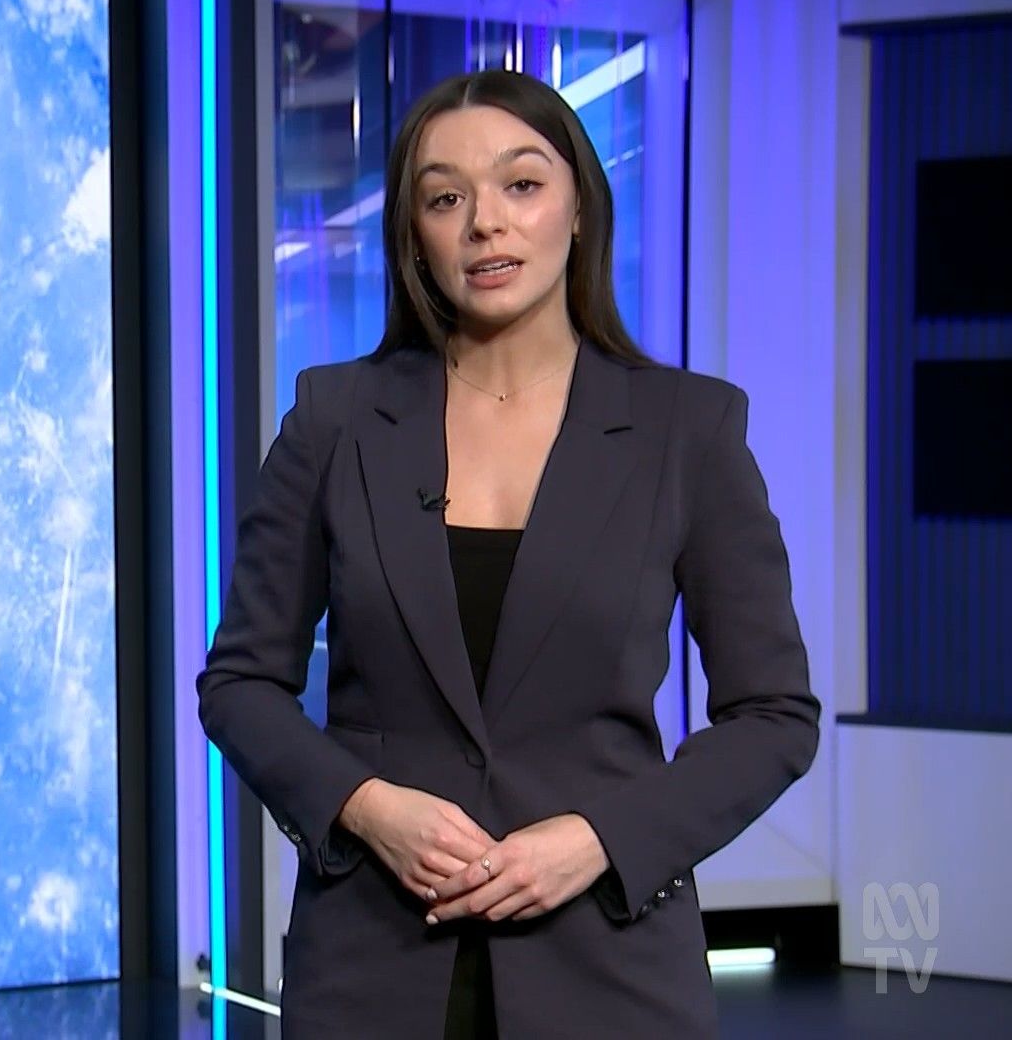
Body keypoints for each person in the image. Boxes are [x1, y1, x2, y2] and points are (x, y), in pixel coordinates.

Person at [196, 69, 820, 1038]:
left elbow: (773, 716)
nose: (485, 222)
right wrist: (364, 807)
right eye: (446, 199)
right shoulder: (335, 421)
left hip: (611, 972)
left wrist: (600, 840)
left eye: (520, 184)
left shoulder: (687, 431)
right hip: (370, 970)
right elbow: (240, 684)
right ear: (415, 235)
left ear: (579, 207)